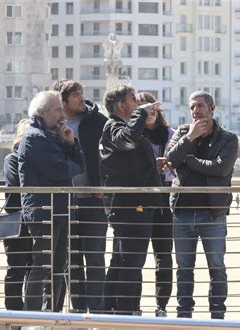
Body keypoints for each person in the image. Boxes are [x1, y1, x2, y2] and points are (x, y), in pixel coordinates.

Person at [165, 90, 238, 319]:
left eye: (200, 106)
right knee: (184, 269)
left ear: (212, 108)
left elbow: (221, 168)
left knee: (216, 267)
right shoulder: (183, 133)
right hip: (182, 212)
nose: (196, 111)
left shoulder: (228, 138)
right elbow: (170, 159)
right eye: (192, 107)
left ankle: (217, 315)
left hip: (212, 213)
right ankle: (183, 313)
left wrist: (189, 161)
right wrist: (189, 139)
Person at [99, 84, 162, 315]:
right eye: (133, 99)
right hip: (131, 206)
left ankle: (112, 310)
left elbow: (128, 157)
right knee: (131, 261)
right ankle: (123, 312)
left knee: (123, 259)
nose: (137, 103)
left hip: (134, 204)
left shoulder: (119, 127)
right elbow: (127, 141)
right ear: (120, 105)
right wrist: (141, 114)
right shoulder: (114, 126)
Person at [18, 90, 83, 311]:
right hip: (44, 210)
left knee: (59, 266)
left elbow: (78, 165)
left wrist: (71, 143)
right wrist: (70, 165)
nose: (62, 114)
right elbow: (59, 170)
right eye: (58, 110)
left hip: (60, 209)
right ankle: (33, 317)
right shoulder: (34, 137)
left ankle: (52, 314)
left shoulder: (55, 136)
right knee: (43, 265)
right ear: (44, 113)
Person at [52, 80, 108, 313]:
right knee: (72, 259)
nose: (81, 98)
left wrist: (101, 186)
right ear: (63, 102)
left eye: (82, 93)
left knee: (95, 257)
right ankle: (77, 309)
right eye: (75, 95)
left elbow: (109, 158)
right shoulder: (53, 124)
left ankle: (97, 311)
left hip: (94, 199)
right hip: (67, 202)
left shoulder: (99, 121)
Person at [136, 92, 174, 317]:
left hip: (163, 201)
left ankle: (161, 306)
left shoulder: (169, 134)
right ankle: (134, 305)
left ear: (157, 110)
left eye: (149, 107)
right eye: (140, 108)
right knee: (136, 255)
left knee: (164, 256)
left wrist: (166, 166)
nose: (146, 113)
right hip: (139, 202)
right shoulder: (133, 135)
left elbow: (175, 166)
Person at [2, 118, 33, 310]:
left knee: (33, 266)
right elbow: (15, 184)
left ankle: (29, 308)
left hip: (32, 217)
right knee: (16, 267)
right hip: (16, 218)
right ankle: (13, 310)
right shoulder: (11, 159)